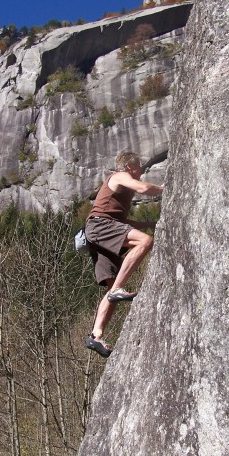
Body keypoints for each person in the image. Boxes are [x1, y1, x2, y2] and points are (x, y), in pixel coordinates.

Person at [84, 152, 164, 357]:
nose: (141, 170)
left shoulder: (120, 192)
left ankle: (96, 336)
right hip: (100, 226)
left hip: (99, 230)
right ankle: (119, 288)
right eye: (138, 167)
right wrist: (165, 189)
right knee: (145, 241)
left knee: (111, 289)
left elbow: (122, 224)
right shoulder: (119, 177)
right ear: (129, 167)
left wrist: (149, 224)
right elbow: (144, 188)